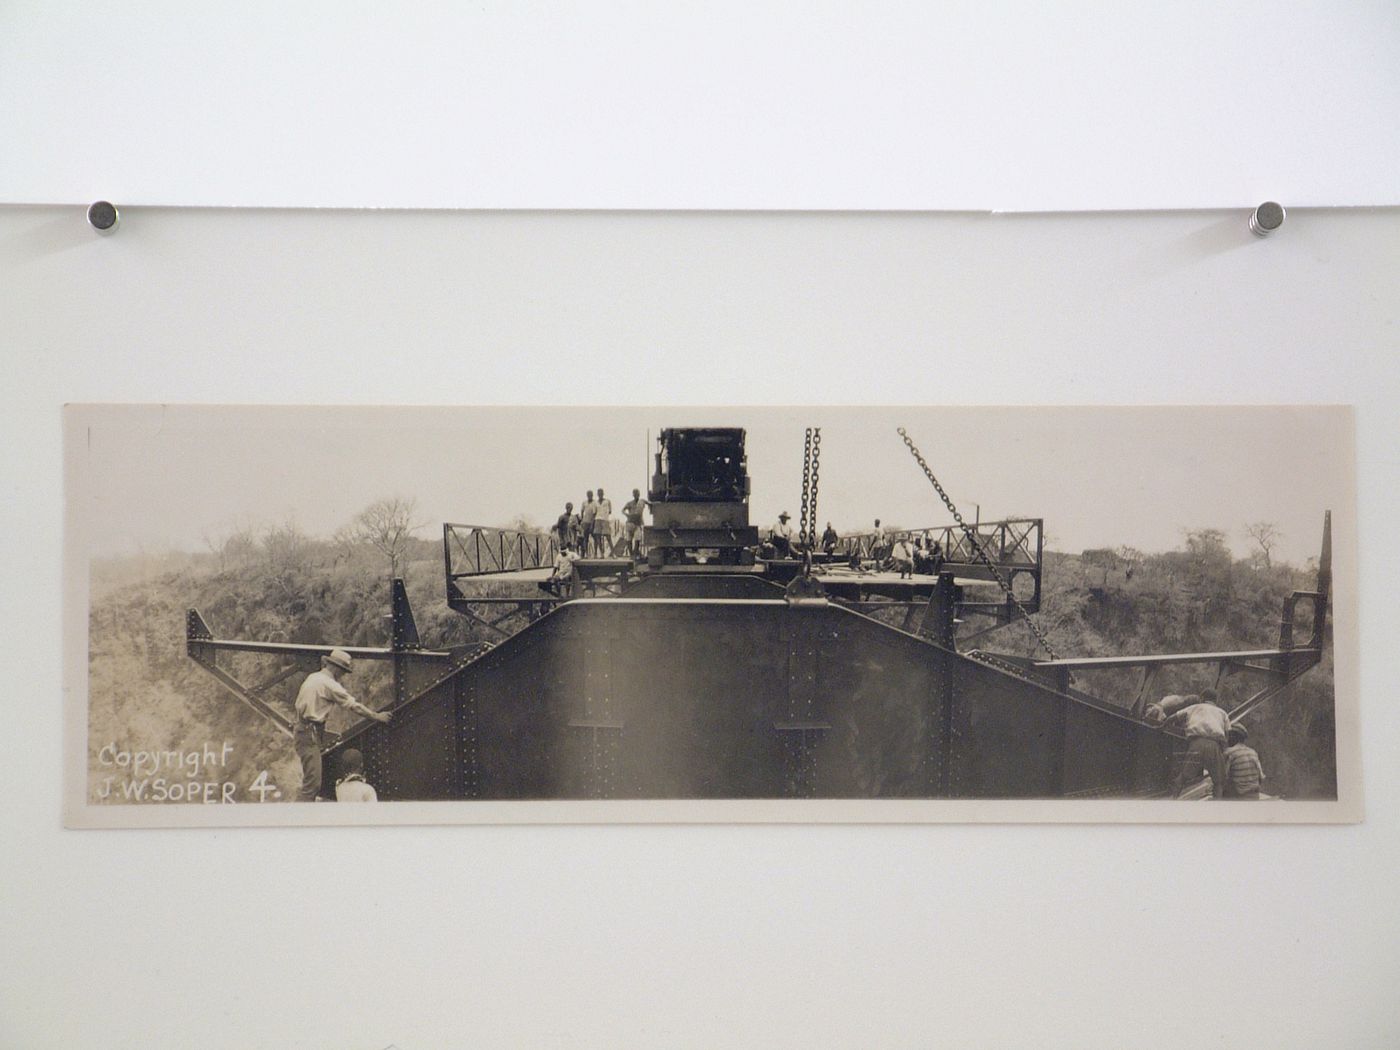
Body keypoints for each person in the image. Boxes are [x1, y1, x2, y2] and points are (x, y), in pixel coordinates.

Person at [293, 649, 391, 802]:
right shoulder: (330, 685)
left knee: (311, 780)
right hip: (310, 732)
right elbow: (354, 706)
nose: (343, 675)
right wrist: (376, 716)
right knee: (312, 784)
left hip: (304, 730)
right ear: (336, 668)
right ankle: (298, 819)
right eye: (343, 671)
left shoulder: (314, 677)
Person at [1154, 688, 1230, 799]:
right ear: (1216, 700)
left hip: (1197, 743)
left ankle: (1174, 799)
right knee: (1218, 782)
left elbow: (1173, 717)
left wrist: (1162, 727)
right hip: (1214, 745)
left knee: (1182, 777)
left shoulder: (1195, 707)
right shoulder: (1222, 713)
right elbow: (1227, 733)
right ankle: (1216, 806)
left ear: (1202, 698)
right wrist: (1223, 750)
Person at [1223, 724, 1266, 799]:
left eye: (1229, 736)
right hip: (1255, 795)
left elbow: (1223, 777)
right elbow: (1261, 777)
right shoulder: (1253, 752)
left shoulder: (1229, 752)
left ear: (1234, 737)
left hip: (1238, 796)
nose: (1227, 739)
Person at [622, 488, 650, 557]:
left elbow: (650, 503)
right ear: (633, 495)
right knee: (629, 539)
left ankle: (635, 553)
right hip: (630, 522)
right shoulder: (629, 503)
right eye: (635, 493)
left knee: (638, 538)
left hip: (638, 523)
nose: (636, 495)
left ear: (639, 494)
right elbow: (623, 510)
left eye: (637, 493)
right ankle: (631, 554)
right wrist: (627, 515)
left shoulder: (642, 501)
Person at [579, 491, 598, 558]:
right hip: (585, 522)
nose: (589, 496)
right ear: (587, 495)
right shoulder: (584, 502)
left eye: (590, 495)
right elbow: (582, 510)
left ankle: (595, 553)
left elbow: (594, 513)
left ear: (592, 495)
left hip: (592, 522)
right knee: (585, 539)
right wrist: (582, 519)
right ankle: (586, 554)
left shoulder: (595, 503)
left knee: (595, 538)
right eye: (588, 495)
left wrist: (592, 523)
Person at [595, 488, 613, 556]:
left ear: (603, 493)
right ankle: (602, 553)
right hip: (597, 519)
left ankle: (613, 553)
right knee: (598, 537)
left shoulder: (607, 501)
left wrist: (605, 515)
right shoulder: (595, 502)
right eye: (599, 493)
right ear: (597, 494)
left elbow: (610, 511)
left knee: (608, 536)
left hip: (605, 520)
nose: (600, 494)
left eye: (601, 493)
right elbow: (595, 512)